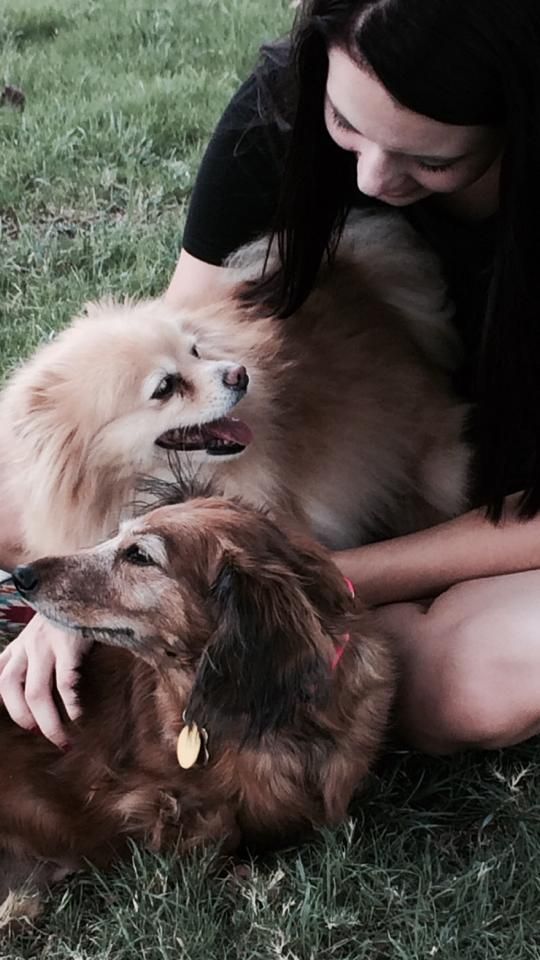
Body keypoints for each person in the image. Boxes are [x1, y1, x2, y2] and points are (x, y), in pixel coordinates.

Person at [3, 0, 540, 756]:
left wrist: (323, 581)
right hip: (320, 478)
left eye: (433, 162)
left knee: (480, 682)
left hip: (509, 502)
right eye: (346, 126)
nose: (374, 177)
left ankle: (284, 644)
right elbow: (178, 326)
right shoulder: (279, 112)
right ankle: (249, 643)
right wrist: (74, 590)